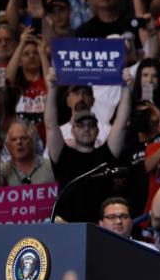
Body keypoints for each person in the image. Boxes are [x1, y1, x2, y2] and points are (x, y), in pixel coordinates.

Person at [44, 67, 130, 223]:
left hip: (101, 229)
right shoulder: (63, 156)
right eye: (81, 125)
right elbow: (50, 125)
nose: (86, 129)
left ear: (98, 130)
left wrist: (126, 89)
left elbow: (121, 123)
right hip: (68, 228)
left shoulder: (105, 154)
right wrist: (51, 89)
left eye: (90, 125)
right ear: (72, 129)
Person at [0, 120, 54, 187]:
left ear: (32, 141)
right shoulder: (2, 170)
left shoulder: (50, 166)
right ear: (7, 146)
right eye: (13, 139)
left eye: (23, 138)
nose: (19, 142)